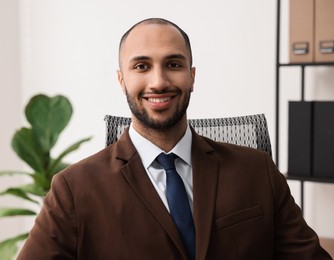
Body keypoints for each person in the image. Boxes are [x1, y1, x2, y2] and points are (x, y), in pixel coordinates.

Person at [18, 18, 331, 259]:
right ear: (121, 80)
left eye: (173, 64)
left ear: (191, 76)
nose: (159, 81)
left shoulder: (257, 170)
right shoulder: (73, 189)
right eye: (142, 66)